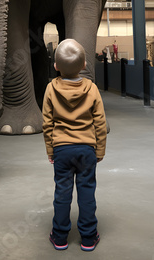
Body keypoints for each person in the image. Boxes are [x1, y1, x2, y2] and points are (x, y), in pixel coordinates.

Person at [42, 39, 107, 252]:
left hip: (61, 149)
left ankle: (60, 236)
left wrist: (50, 150)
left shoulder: (51, 88)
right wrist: (100, 150)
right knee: (87, 192)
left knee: (62, 192)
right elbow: (100, 122)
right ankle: (88, 237)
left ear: (56, 66)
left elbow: (47, 123)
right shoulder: (92, 88)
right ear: (85, 65)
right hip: (87, 149)